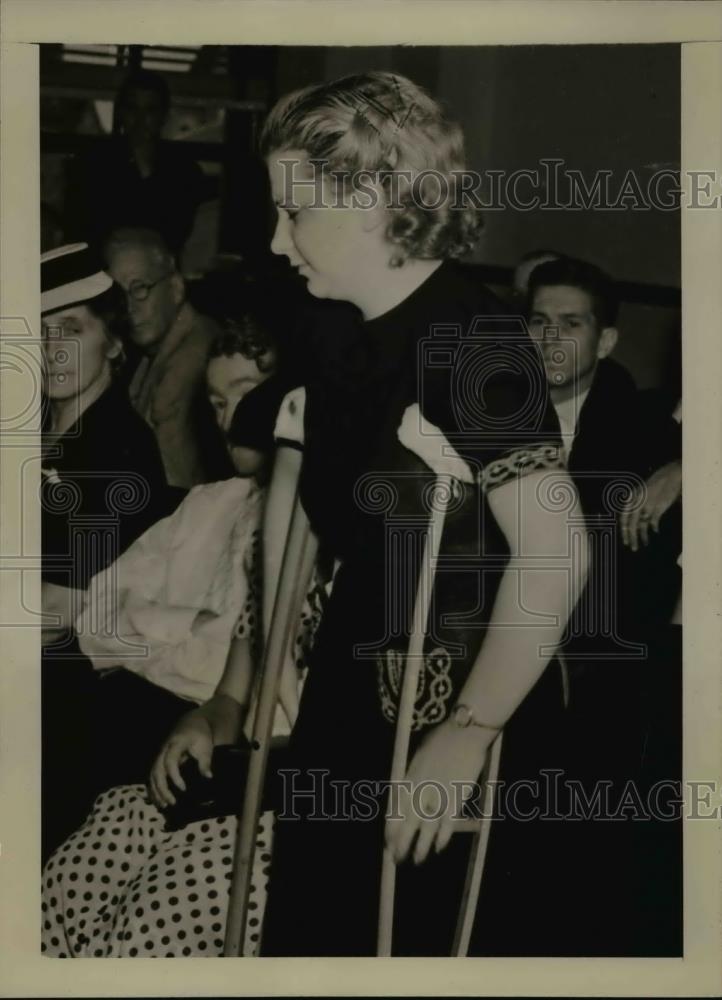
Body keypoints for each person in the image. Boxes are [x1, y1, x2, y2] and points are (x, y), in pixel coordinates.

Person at [256, 72, 589, 957]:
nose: (274, 239)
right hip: (352, 674)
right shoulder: (327, 327)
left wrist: (466, 737)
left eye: (294, 214)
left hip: (465, 684)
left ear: (374, 201)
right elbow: (297, 501)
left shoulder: (473, 343)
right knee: (314, 932)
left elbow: (558, 556)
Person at [41, 321, 324, 959]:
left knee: (139, 930)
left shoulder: (322, 526)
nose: (231, 422)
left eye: (249, 396)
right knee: (60, 891)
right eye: (218, 404)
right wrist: (182, 624)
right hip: (174, 728)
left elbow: (246, 671)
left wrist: (162, 632)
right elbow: (96, 613)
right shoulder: (210, 504)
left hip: (253, 768)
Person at [526, 256, 682, 954]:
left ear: (608, 340)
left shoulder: (645, 433)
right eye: (537, 322)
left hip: (590, 681)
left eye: (571, 324)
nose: (549, 340)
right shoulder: (488, 412)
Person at [40, 242, 170, 859]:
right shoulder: (40, 436)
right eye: (39, 333)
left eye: (71, 329)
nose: (53, 350)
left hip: (70, 707)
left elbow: (59, 611)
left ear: (113, 342)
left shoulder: (116, 448)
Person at [104, 227, 227, 488]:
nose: (129, 307)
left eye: (140, 288)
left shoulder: (205, 351)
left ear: (176, 287)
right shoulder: (142, 355)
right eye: (120, 294)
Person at [64, 69, 206, 258]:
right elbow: (83, 229)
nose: (140, 119)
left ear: (163, 116)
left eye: (150, 110)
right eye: (132, 108)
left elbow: (175, 234)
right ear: (121, 112)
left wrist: (145, 168)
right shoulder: (92, 163)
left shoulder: (184, 170)